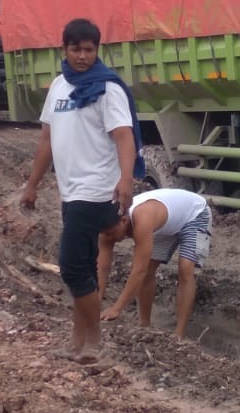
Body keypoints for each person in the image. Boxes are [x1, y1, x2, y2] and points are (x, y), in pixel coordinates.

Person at [19, 18, 143, 363]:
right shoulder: (59, 86)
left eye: (89, 50)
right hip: (69, 191)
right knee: (84, 268)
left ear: (97, 51)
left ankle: (95, 343)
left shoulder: (107, 89)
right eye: (76, 49)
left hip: (96, 189)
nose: (83, 56)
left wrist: (127, 180)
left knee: (72, 267)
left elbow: (124, 136)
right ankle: (78, 342)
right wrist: (32, 186)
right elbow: (46, 139)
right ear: (64, 50)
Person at [98, 188, 213, 338]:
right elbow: (102, 267)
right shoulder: (106, 228)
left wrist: (117, 308)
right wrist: (95, 303)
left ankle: (178, 335)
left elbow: (139, 270)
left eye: (111, 233)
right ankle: (144, 325)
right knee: (150, 268)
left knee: (185, 269)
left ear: (124, 221)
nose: (109, 238)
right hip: (165, 224)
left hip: (194, 215)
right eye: (106, 234)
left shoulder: (142, 220)